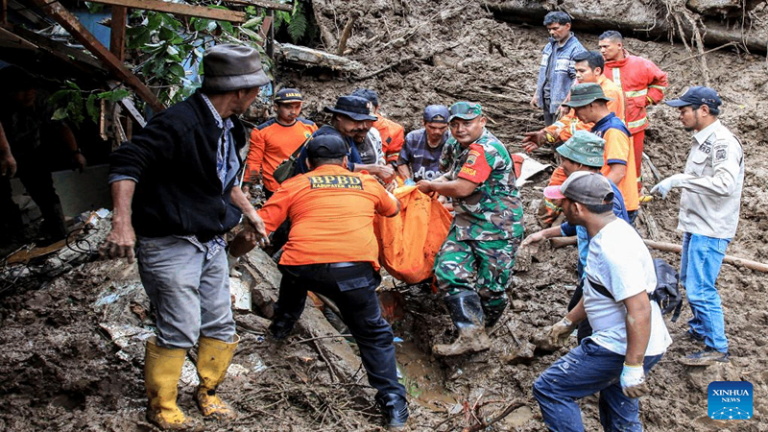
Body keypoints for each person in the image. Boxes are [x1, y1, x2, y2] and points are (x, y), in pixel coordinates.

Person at [102, 44, 270, 430]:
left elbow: (221, 182)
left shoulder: (227, 127)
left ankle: (208, 392)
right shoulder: (180, 123)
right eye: (257, 89)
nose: (258, 95)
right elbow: (127, 161)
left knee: (220, 322)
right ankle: (162, 406)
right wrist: (122, 222)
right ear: (241, 91)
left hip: (209, 241)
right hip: (171, 241)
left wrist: (250, 212)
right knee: (179, 324)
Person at [259, 134, 408, 430]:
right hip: (353, 270)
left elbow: (262, 226)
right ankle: (393, 404)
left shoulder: (295, 183)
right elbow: (393, 209)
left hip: (303, 265)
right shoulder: (367, 183)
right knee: (374, 335)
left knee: (291, 277)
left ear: (309, 162)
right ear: (344, 161)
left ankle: (280, 328)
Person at [533, 172, 672, 432]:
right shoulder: (612, 232)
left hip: (619, 346)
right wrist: (568, 322)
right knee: (619, 415)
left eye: (562, 202)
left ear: (577, 208)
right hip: (640, 344)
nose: (559, 207)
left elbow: (639, 309)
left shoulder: (613, 250)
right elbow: (599, 290)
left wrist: (632, 366)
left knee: (550, 388)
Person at [416, 102, 524, 356]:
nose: (460, 129)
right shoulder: (455, 144)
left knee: (491, 288)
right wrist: (432, 184)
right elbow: (451, 175)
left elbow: (463, 188)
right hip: (466, 222)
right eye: (455, 124)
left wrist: (431, 187)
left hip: (498, 226)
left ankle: (484, 331)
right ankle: (470, 332)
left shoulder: (486, 149)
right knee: (448, 270)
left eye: (467, 123)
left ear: (482, 121)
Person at [651, 86, 743, 366]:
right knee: (691, 281)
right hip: (698, 223)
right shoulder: (703, 140)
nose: (680, 114)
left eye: (684, 109)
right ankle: (701, 329)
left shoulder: (722, 143)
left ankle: (717, 347)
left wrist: (679, 180)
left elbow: (725, 184)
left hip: (711, 228)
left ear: (704, 110)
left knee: (701, 288)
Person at [521, 131, 629, 342]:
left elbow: (614, 245)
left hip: (600, 273)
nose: (562, 166)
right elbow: (574, 226)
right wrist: (543, 233)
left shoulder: (604, 196)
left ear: (579, 164)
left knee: (590, 326)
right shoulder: (586, 190)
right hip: (587, 268)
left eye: (565, 161)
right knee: (577, 309)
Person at [523, 50, 625, 226]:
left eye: (582, 71)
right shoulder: (581, 90)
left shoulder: (608, 93)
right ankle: (546, 223)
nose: (578, 75)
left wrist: (555, 134)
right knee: (560, 178)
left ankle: (552, 224)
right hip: (583, 155)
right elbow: (569, 119)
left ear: (597, 71)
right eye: (576, 71)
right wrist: (547, 133)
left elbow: (586, 126)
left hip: (596, 159)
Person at [0, 66, 86, 244]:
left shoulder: (41, 99)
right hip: (2, 151)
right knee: (2, 199)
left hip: (30, 149)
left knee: (45, 192)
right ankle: (12, 239)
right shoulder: (3, 103)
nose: (28, 93)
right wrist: (6, 153)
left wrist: (75, 152)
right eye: (22, 90)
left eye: (31, 88)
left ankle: (59, 234)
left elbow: (61, 125)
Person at [600, 30, 668, 191]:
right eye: (600, 47)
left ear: (619, 45)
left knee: (634, 163)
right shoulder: (598, 67)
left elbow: (661, 81)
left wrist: (647, 99)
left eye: (606, 47)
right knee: (610, 162)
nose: (602, 50)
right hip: (608, 128)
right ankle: (611, 193)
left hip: (635, 127)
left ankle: (635, 193)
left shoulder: (641, 64)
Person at [564, 83, 639, 223]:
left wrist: (595, 198)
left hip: (615, 203)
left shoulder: (613, 130)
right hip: (607, 199)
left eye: (578, 109)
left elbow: (618, 172)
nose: (576, 115)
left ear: (591, 105)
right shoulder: (600, 128)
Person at [293, 95, 395, 183]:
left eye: (363, 121)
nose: (360, 127)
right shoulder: (327, 137)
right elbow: (333, 169)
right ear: (339, 116)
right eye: (356, 121)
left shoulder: (346, 134)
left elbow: (356, 166)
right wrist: (375, 169)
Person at [243, 87, 317, 199]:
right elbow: (254, 160)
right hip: (276, 188)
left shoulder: (310, 127)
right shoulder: (262, 131)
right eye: (288, 107)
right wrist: (246, 186)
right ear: (276, 107)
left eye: (297, 107)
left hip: (303, 185)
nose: (293, 111)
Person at [531, 11, 586, 126]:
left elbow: (578, 81)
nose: (552, 32)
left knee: (561, 135)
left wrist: (567, 103)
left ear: (567, 26)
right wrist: (537, 94)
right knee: (550, 134)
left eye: (555, 28)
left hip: (562, 102)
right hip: (547, 98)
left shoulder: (576, 50)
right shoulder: (549, 46)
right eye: (549, 29)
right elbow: (543, 73)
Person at [351, 89, 405, 166]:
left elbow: (396, 155)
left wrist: (390, 167)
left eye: (367, 113)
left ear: (377, 108)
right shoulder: (345, 128)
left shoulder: (393, 130)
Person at [397, 105, 451, 182]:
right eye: (432, 127)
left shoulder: (453, 141)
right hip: (419, 186)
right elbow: (402, 162)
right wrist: (408, 180)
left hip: (444, 187)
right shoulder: (413, 138)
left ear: (448, 125)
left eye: (442, 128)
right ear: (423, 123)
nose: (437, 132)